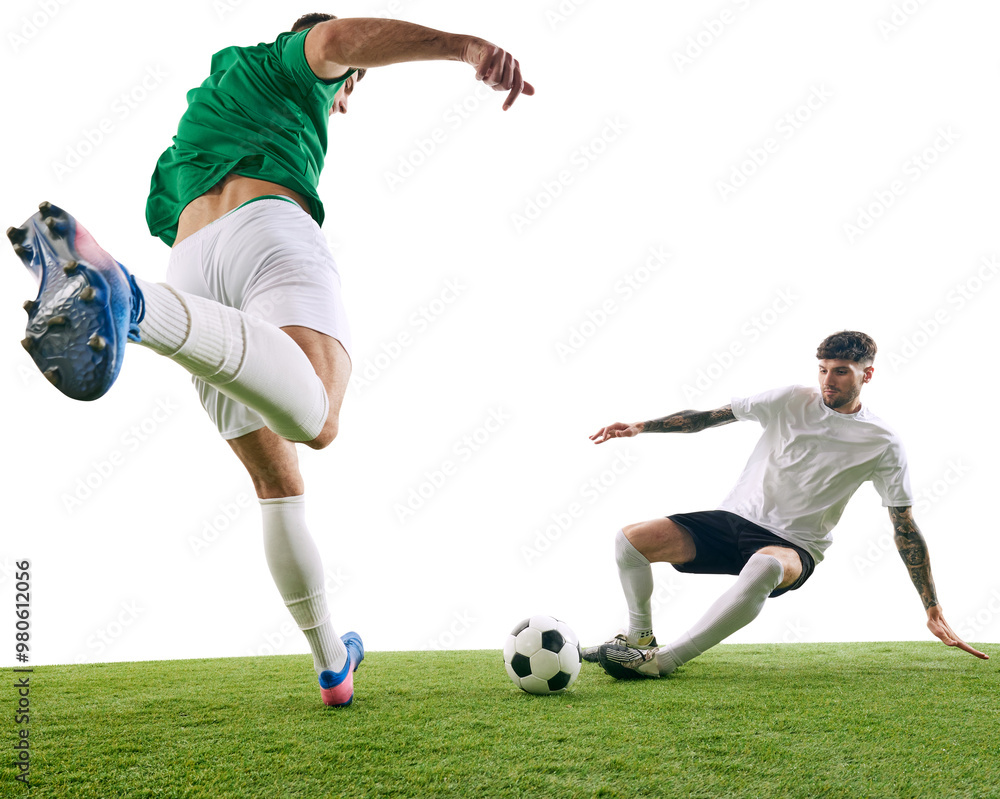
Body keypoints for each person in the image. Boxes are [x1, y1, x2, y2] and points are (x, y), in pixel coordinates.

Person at [9, 12, 532, 707]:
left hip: (191, 260)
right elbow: (336, 41)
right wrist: (467, 47)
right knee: (318, 416)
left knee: (277, 483)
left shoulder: (199, 120)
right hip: (267, 229)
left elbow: (176, 207)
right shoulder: (287, 63)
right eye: (350, 91)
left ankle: (332, 663)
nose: (342, 102)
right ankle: (133, 303)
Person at [584, 331, 988, 680]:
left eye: (842, 371)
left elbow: (904, 526)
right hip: (733, 520)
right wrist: (642, 426)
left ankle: (662, 661)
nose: (828, 380)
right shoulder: (791, 399)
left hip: (794, 545)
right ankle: (640, 636)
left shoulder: (883, 442)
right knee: (630, 540)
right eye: (824, 369)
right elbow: (707, 417)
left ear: (867, 374)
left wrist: (932, 607)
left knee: (766, 565)